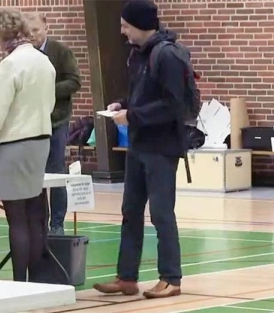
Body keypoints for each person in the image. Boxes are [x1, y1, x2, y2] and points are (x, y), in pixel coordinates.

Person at [93, 0, 186, 299]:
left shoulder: (168, 55)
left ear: (140, 24)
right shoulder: (138, 55)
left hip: (162, 147)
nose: (122, 31)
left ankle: (171, 277)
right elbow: (143, 95)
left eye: (125, 25)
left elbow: (175, 105)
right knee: (130, 212)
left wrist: (134, 116)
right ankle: (127, 276)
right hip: (139, 144)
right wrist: (124, 104)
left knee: (161, 213)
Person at [0, 8, 56, 282]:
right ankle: (35, 280)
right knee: (35, 216)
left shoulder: (10, 64)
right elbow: (51, 104)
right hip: (41, 141)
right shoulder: (44, 61)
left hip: (15, 144)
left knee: (16, 219)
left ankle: (19, 283)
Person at [25, 12, 82, 235]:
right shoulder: (23, 54)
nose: (32, 36)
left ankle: (57, 223)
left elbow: (74, 81)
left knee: (56, 171)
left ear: (46, 28)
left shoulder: (60, 51)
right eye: (28, 33)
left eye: (36, 31)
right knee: (36, 173)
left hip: (57, 120)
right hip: (31, 123)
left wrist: (48, 90)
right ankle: (39, 221)